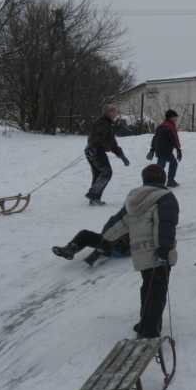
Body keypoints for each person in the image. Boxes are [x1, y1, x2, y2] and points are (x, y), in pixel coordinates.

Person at [102, 164, 179, 338]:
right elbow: (166, 225)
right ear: (163, 179)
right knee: (157, 292)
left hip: (141, 255)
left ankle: (145, 322)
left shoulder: (134, 199)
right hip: (159, 254)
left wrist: (106, 236)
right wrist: (164, 250)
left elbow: (118, 223)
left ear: (144, 179)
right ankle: (150, 330)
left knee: (148, 288)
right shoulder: (165, 197)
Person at [85, 105, 129, 205]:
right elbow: (96, 135)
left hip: (93, 149)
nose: (115, 114)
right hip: (95, 150)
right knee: (106, 172)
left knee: (98, 174)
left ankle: (94, 199)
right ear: (107, 113)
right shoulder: (102, 123)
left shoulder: (108, 124)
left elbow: (112, 143)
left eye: (115, 112)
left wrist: (122, 156)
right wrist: (92, 146)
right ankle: (93, 195)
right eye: (113, 112)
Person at [51, 212, 131, 266]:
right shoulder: (125, 213)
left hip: (121, 248)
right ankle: (70, 249)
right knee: (84, 234)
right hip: (109, 238)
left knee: (112, 239)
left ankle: (102, 249)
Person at [147, 109, 182, 187]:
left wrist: (152, 149)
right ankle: (165, 181)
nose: (176, 119)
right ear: (171, 117)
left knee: (162, 166)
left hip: (160, 149)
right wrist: (178, 149)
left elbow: (154, 138)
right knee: (164, 166)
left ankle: (157, 182)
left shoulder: (162, 125)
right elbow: (174, 138)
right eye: (175, 117)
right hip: (165, 150)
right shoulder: (169, 126)